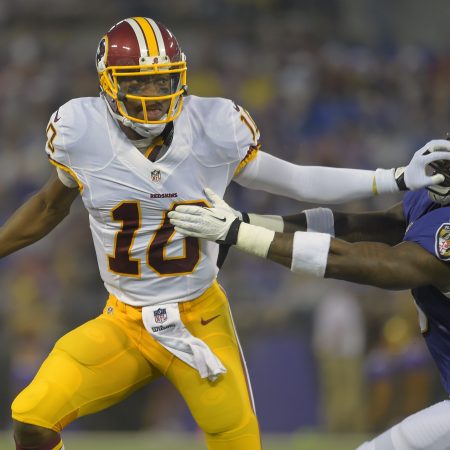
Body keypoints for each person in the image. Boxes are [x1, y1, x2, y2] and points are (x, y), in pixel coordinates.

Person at [1, 16, 449, 450]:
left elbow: (296, 180)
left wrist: (392, 178)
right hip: (123, 319)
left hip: (200, 319)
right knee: (32, 420)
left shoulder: (212, 127)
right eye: (139, 81)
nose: (154, 94)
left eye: (164, 80)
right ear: (109, 83)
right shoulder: (82, 131)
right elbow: (47, 205)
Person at [168, 157, 450, 450]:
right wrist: (247, 221)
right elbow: (363, 227)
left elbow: (369, 263)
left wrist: (241, 234)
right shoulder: (432, 202)